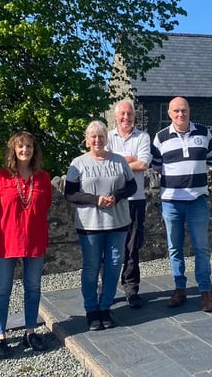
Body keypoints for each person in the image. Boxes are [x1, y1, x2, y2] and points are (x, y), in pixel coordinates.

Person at [64, 120, 137, 331]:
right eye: (93, 136)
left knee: (114, 265)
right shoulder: (78, 163)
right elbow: (70, 193)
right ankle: (91, 309)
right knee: (91, 266)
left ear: (107, 138)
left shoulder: (119, 161)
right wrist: (95, 199)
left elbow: (131, 185)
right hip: (90, 225)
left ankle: (105, 306)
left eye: (101, 136)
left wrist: (116, 196)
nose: (97, 140)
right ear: (87, 139)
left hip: (118, 221)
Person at [0, 132, 52, 358]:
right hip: (7, 241)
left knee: (33, 288)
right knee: (2, 290)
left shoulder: (43, 178)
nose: (25, 151)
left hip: (35, 240)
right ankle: (0, 335)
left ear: (35, 151)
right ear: (13, 150)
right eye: (21, 147)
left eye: (29, 147)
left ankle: (30, 330)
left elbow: (46, 205)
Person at [151, 96, 212, 312]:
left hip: (197, 200)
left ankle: (205, 291)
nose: (181, 114)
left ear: (189, 111)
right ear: (169, 113)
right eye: (176, 111)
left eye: (184, 110)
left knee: (202, 248)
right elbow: (157, 166)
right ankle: (180, 288)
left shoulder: (204, 133)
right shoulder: (160, 138)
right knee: (174, 248)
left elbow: (209, 161)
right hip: (171, 202)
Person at [106, 100, 152, 309]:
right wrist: (129, 160)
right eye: (122, 114)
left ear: (135, 116)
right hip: (112, 199)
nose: (126, 117)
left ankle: (131, 288)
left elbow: (143, 164)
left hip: (135, 200)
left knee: (133, 246)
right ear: (116, 116)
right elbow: (103, 165)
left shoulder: (143, 137)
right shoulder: (106, 137)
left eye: (130, 114)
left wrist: (118, 161)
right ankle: (107, 288)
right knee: (108, 247)